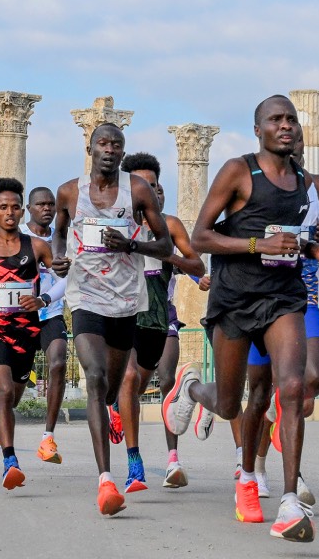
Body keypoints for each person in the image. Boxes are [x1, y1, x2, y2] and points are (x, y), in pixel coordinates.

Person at [163, 95, 319, 543]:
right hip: (234, 299)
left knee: (293, 386)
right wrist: (255, 246)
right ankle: (191, 391)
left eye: (291, 120)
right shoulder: (239, 171)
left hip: (284, 297)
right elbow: (201, 237)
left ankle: (287, 501)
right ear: (258, 130)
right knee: (229, 403)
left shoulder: (308, 184)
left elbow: (296, 240)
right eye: (276, 120)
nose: (286, 126)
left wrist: (316, 249)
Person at [53, 123, 173, 516]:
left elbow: (165, 243)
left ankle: (111, 410)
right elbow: (58, 232)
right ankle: (106, 479)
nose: (109, 149)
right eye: (103, 143)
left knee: (110, 391)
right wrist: (58, 257)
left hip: (126, 299)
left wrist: (132, 244)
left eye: (116, 144)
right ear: (90, 149)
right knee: (95, 377)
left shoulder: (136, 190)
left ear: (123, 152)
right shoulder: (69, 192)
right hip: (85, 295)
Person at [0, 178, 68, 489]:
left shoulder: (37, 247)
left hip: (25, 333)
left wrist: (44, 299)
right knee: (4, 390)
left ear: (21, 212)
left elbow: (63, 281)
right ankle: (10, 462)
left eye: (15, 207)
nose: (10, 212)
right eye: (3, 207)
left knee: (14, 397)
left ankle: (1, 412)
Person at [110, 152, 206, 492]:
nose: (146, 191)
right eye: (140, 185)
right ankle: (138, 463)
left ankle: (121, 410)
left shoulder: (170, 225)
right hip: (120, 314)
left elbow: (197, 267)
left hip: (158, 318)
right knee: (131, 376)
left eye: (152, 185)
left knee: (153, 382)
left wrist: (162, 252)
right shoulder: (113, 223)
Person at [17, 186, 71, 464]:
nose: (47, 208)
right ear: (29, 208)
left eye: (51, 204)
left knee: (59, 362)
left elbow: (69, 277)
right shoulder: (17, 237)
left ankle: (47, 437)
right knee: (14, 387)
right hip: (20, 317)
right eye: (41, 204)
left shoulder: (63, 239)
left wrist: (46, 298)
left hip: (50, 312)